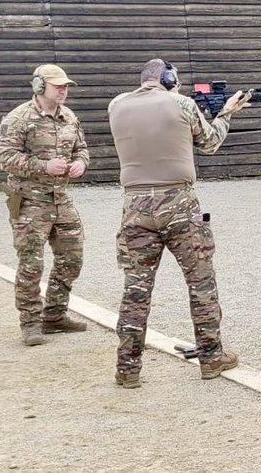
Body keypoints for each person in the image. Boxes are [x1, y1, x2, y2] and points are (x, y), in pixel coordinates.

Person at [106, 58, 252, 389]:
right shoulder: (181, 103)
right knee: (200, 283)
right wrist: (227, 112)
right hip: (179, 204)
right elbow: (210, 142)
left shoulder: (116, 106)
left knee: (136, 290)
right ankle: (211, 358)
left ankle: (127, 368)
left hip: (134, 206)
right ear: (169, 78)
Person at [0, 64, 90, 346]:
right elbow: (4, 157)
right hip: (29, 203)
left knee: (72, 258)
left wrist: (80, 164)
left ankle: (55, 315)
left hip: (61, 200)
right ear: (39, 86)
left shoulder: (69, 117)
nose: (63, 90)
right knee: (31, 264)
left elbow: (82, 149)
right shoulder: (19, 118)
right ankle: (30, 323)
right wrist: (43, 165)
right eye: (57, 85)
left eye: (66, 86)